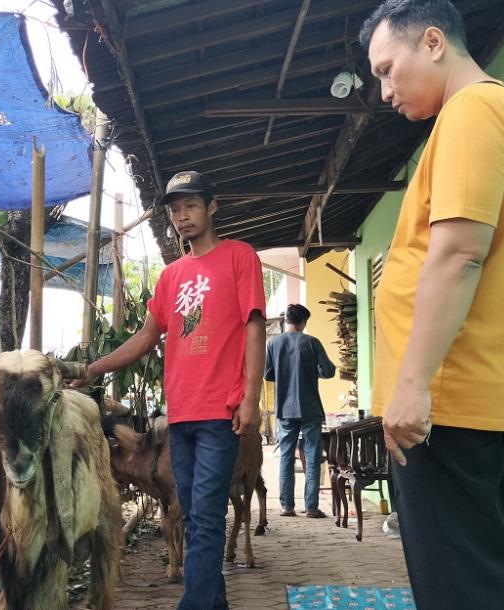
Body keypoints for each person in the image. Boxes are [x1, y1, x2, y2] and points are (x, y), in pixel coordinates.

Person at [359, 1, 504, 608]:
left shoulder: (474, 111)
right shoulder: (494, 111)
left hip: (447, 403)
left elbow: (460, 252)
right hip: (465, 397)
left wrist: (412, 385)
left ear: (433, 42)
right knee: (471, 580)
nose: (385, 91)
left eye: (387, 69)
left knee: (461, 592)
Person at [74, 170, 266, 610]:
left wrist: (251, 398)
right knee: (195, 516)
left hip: (221, 412)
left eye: (191, 206)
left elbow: (254, 327)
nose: (182, 216)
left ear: (211, 207)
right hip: (180, 416)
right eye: (175, 209)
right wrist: (92, 369)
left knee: (207, 515)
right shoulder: (171, 276)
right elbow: (146, 337)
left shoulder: (240, 257)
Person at [265, 303, 335, 518]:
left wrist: (285, 373)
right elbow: (329, 371)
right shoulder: (312, 342)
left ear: (287, 320)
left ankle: (287, 507)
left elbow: (268, 374)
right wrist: (312, 371)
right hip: (310, 407)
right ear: (304, 322)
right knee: (312, 456)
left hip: (285, 408)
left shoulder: (273, 343)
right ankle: (311, 507)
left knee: (286, 457)